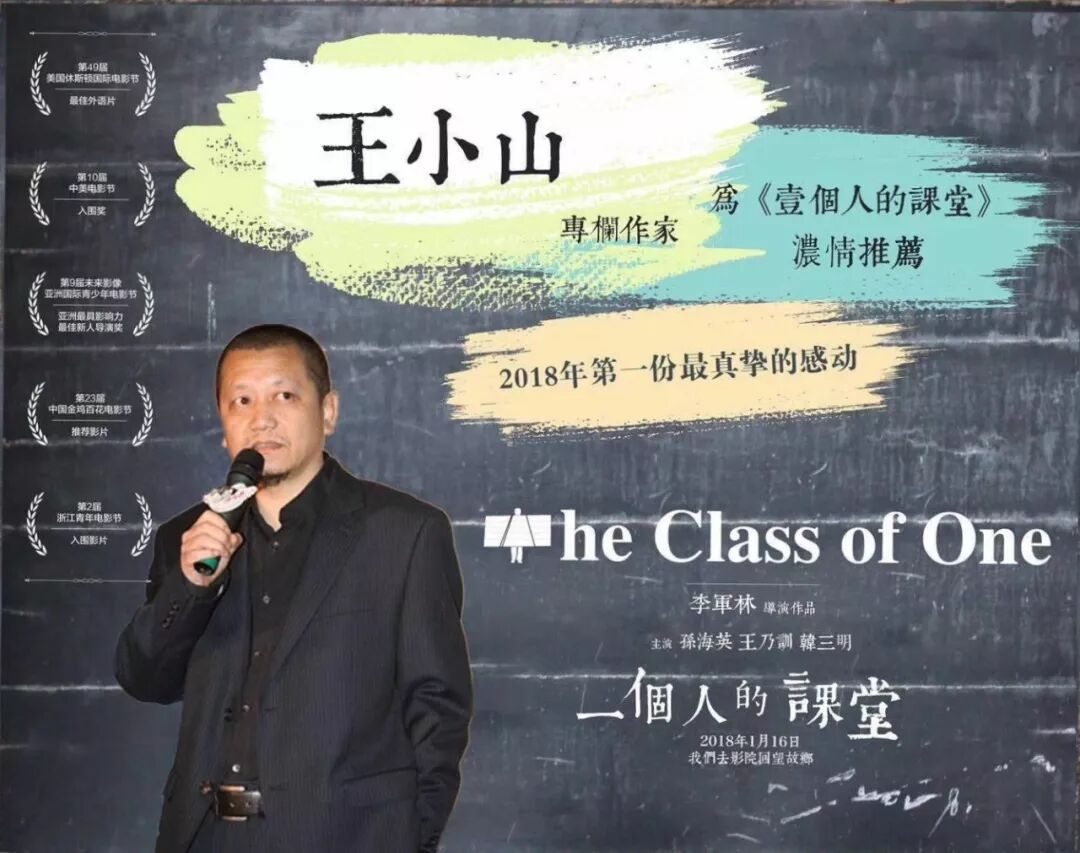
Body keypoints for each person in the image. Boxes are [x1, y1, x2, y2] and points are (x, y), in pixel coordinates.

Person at [114, 324, 473, 853]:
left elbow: (437, 705)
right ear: (223, 424)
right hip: (206, 835)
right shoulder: (188, 537)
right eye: (241, 401)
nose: (262, 418)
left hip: (345, 837)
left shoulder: (403, 533)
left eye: (284, 396)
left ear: (328, 411)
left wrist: (408, 838)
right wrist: (191, 586)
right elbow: (146, 679)